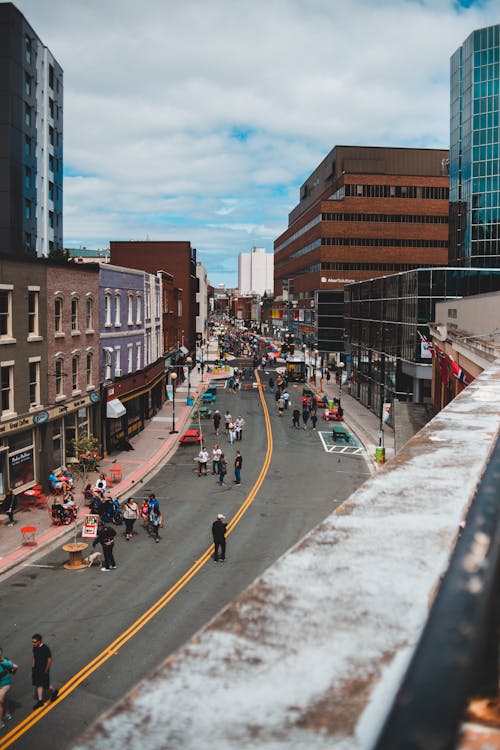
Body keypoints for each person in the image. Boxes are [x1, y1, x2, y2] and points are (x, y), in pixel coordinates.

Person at [31, 634, 58, 709]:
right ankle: (40, 701)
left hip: (44, 669)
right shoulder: (35, 647)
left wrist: (46, 670)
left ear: (39, 641)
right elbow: (34, 657)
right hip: (37, 669)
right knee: (38, 684)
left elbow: (49, 660)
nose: (33, 643)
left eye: (34, 642)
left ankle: (54, 692)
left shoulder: (46, 649)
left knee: (46, 685)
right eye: (32, 642)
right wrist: (33, 667)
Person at [0, 647, 17, 727]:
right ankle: (7, 713)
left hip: (5, 683)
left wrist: (13, 671)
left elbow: (15, 667)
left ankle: (0, 722)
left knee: (0, 701)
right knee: (4, 699)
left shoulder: (4, 661)